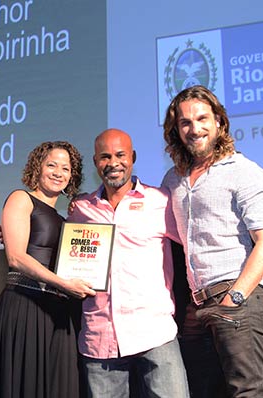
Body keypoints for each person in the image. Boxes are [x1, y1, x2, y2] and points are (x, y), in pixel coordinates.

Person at [161, 85, 263, 398]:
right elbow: (170, 232)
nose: (194, 128)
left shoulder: (244, 172)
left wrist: (235, 298)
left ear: (220, 123)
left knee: (246, 392)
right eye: (185, 122)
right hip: (196, 305)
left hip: (236, 296)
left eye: (202, 119)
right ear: (176, 129)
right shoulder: (173, 179)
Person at [67, 128, 190, 398]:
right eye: (105, 157)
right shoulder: (81, 209)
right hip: (100, 335)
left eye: (120, 155)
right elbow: (62, 249)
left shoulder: (159, 201)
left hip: (154, 330)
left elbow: (194, 242)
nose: (113, 163)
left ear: (132, 157)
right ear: (95, 162)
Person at [0, 141, 96, 398]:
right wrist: (65, 285)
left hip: (58, 310)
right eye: (52, 165)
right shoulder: (21, 199)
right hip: (25, 304)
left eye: (66, 168)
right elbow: (16, 258)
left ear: (72, 175)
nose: (58, 172)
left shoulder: (65, 221)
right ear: (38, 167)